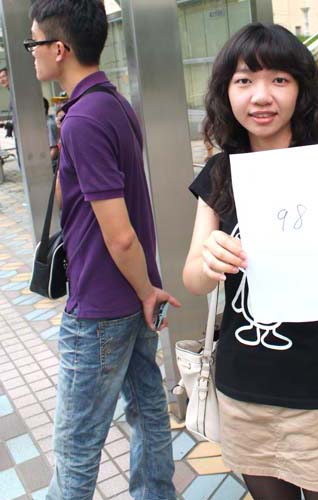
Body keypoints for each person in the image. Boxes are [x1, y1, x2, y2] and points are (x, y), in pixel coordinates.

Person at [183, 23, 318, 500]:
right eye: (244, 80)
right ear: (226, 92)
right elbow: (193, 280)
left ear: (301, 89)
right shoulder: (220, 174)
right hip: (245, 392)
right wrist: (210, 258)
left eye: (279, 79)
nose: (261, 96)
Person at [27, 1, 180, 499]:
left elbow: (119, 235)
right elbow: (79, 201)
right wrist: (147, 290)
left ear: (59, 48)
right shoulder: (111, 103)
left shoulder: (84, 119)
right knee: (148, 407)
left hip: (100, 305)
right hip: (135, 293)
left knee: (76, 443)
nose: (31, 53)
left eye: (34, 43)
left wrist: (146, 292)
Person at [43, 97, 59, 171]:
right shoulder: (43, 123)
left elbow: (54, 149)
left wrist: (44, 166)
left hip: (51, 165)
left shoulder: (49, 124)